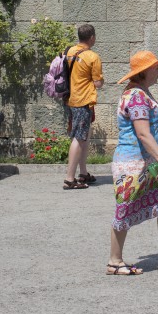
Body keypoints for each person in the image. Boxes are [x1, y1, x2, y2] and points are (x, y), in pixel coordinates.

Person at [107, 50, 158, 276]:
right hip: (133, 163)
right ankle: (114, 261)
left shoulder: (143, 93)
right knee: (124, 208)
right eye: (155, 67)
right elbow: (143, 133)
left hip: (148, 161)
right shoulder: (136, 96)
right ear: (144, 72)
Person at [63, 24, 103, 190]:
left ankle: (83, 173)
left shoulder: (69, 52)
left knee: (84, 136)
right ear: (92, 37)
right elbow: (98, 83)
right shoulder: (92, 57)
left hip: (71, 99)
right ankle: (69, 178)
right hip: (83, 100)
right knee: (79, 138)